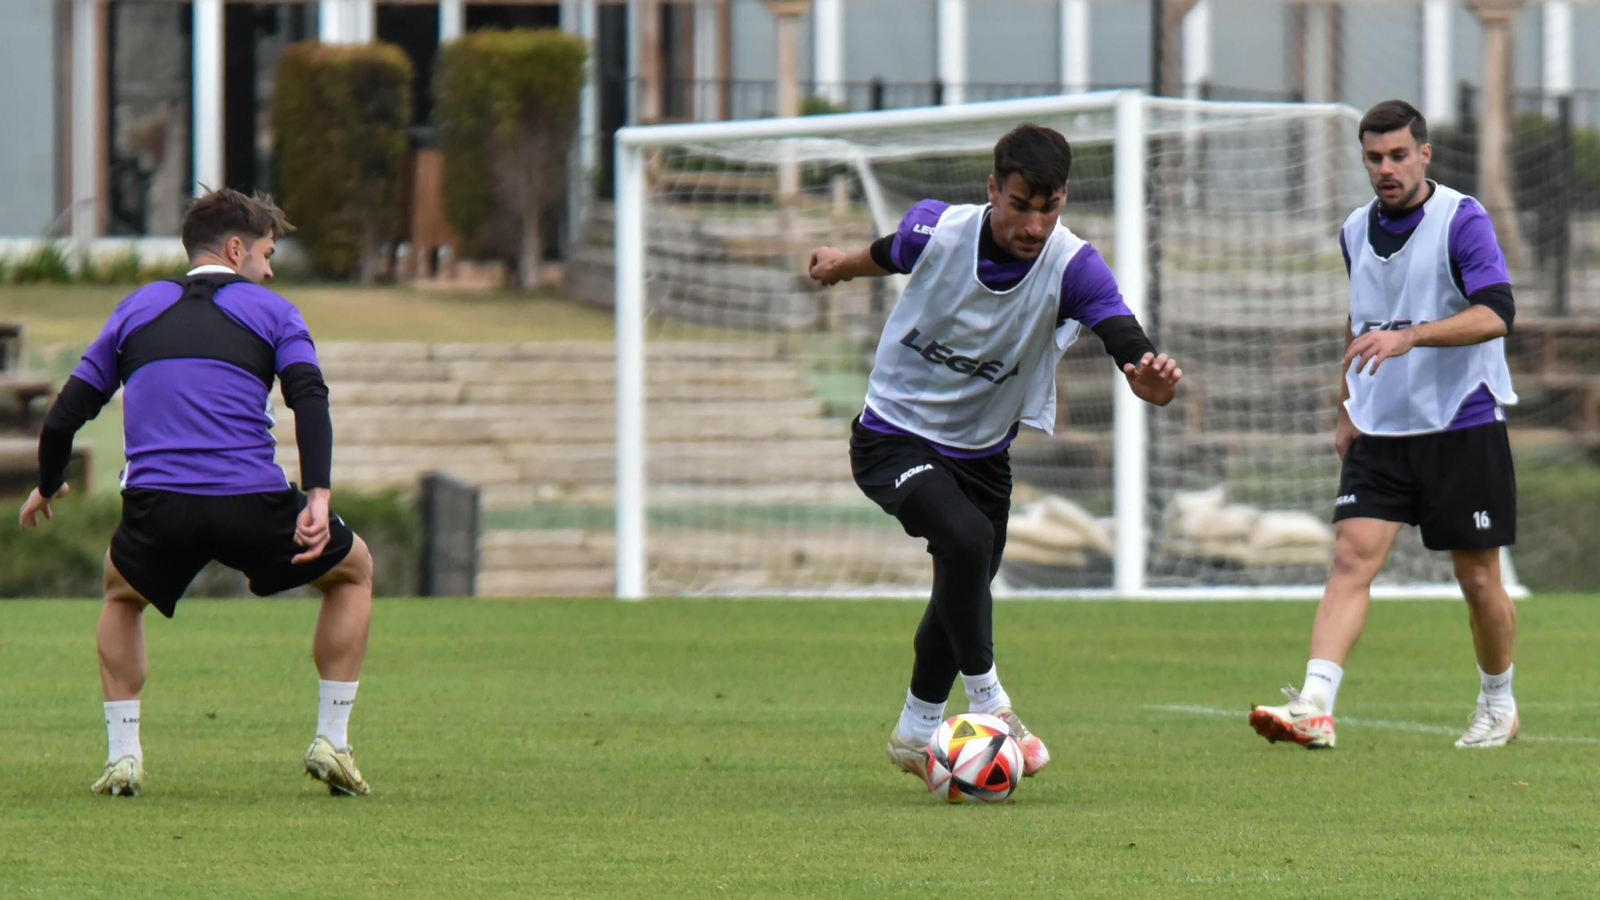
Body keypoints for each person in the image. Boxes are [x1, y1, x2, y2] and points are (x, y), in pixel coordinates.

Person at [806, 124, 1182, 785]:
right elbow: (890, 252)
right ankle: (993, 704)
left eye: (1050, 207)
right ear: (992, 190)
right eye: (1020, 204)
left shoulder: (1074, 266)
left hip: (983, 455)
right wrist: (840, 264)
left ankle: (916, 730)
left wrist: (1145, 375)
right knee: (966, 539)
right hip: (894, 434)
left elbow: (1122, 332)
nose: (1034, 224)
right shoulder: (937, 231)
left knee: (964, 580)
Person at [21, 188, 376, 796]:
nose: (268, 270)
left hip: (158, 507)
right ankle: (333, 742)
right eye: (265, 254)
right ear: (236, 249)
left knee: (120, 594)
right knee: (354, 572)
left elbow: (62, 417)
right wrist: (317, 494)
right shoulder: (275, 313)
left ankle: (124, 756)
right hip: (252, 504)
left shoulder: (135, 308)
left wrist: (49, 483)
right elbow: (309, 396)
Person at [1249, 100, 1521, 750]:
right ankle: (1315, 705)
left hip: (1462, 422)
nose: (1386, 168)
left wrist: (1416, 338)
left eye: (1399, 155)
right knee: (1349, 559)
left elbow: (1498, 312)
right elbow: (1364, 318)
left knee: (1477, 578)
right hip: (1381, 430)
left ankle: (1498, 703)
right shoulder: (1352, 230)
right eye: (1374, 158)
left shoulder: (1463, 220)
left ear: (1423, 154)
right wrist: (1347, 406)